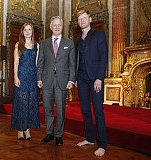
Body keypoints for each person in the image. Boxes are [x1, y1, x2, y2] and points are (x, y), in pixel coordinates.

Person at [37, 16, 76, 146]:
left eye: (59, 25)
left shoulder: (69, 43)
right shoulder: (43, 43)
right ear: (50, 27)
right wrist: (39, 79)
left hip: (62, 80)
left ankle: (59, 135)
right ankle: (49, 133)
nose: (57, 27)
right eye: (55, 25)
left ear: (62, 26)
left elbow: (72, 64)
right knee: (47, 108)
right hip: (47, 80)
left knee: (60, 109)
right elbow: (40, 63)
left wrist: (71, 80)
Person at [75, 10, 108, 156]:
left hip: (95, 79)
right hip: (81, 79)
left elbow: (103, 57)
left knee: (98, 111)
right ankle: (89, 138)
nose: (82, 20)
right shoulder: (77, 39)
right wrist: (75, 78)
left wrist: (99, 78)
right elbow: (76, 60)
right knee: (85, 110)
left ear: (90, 18)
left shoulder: (99, 34)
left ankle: (102, 144)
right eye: (79, 19)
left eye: (84, 18)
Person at [11, 23, 40, 140]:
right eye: (25, 30)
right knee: (21, 103)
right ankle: (20, 130)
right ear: (22, 32)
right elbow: (16, 63)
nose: (27, 32)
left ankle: (27, 130)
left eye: (29, 29)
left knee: (30, 104)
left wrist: (39, 78)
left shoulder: (37, 46)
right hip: (21, 77)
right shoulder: (19, 45)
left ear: (32, 31)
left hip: (32, 78)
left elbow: (38, 64)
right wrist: (15, 77)